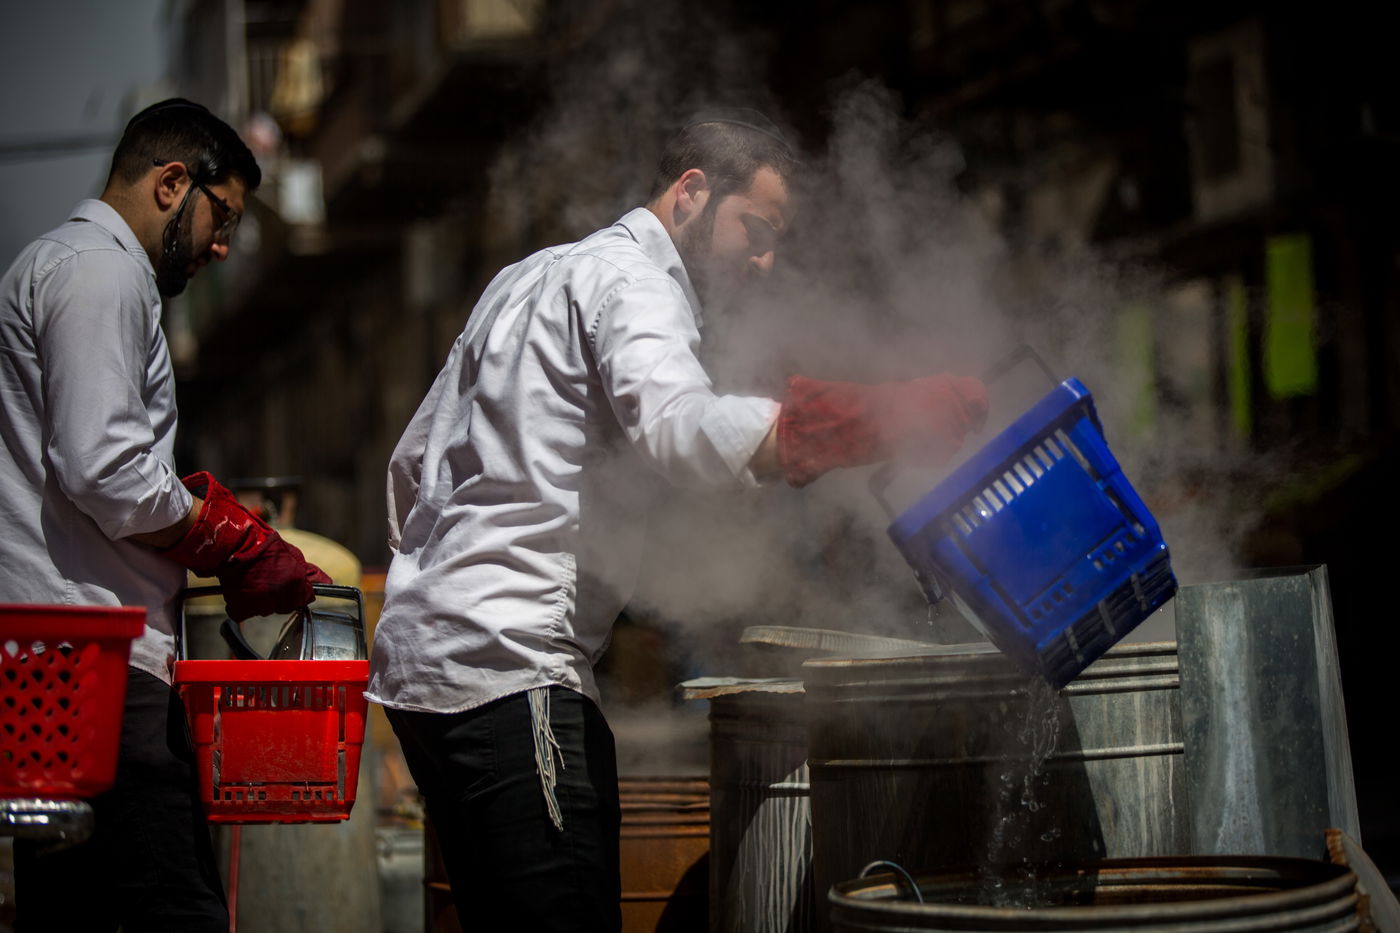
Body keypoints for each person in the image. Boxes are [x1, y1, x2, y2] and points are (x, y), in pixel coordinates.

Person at [368, 109, 989, 931]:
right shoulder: (634, 284)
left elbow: (415, 466)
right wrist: (867, 419)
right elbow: (680, 428)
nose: (764, 263)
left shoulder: (530, 275)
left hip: (427, 672)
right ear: (692, 193)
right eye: (755, 230)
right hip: (511, 671)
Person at [0, 98, 328, 932]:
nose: (222, 244)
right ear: (171, 181)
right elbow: (108, 469)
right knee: (172, 905)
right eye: (221, 215)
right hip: (94, 663)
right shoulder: (99, 269)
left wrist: (212, 522)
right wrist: (233, 542)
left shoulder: (73, 265)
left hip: (75, 662)